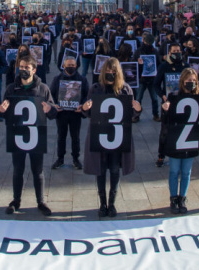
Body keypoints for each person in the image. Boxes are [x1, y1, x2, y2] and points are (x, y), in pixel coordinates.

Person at [82, 57, 142, 217]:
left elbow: (131, 114)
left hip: (117, 136)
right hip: (99, 134)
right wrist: (85, 108)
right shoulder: (95, 88)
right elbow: (87, 112)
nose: (110, 74)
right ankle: (102, 203)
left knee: (115, 169)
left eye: (113, 72)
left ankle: (112, 202)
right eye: (107, 71)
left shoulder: (125, 89)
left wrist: (137, 109)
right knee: (100, 170)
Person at [0, 55, 57, 216]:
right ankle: (16, 200)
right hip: (17, 133)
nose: (23, 70)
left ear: (34, 70)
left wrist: (49, 109)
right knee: (18, 169)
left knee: (37, 170)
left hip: (36, 134)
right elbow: (4, 110)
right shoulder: (11, 88)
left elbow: (53, 112)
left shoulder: (43, 88)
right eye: (21, 67)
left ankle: (41, 201)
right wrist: (1, 111)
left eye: (26, 68)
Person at [160, 68, 199, 214]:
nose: (191, 83)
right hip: (176, 140)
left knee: (186, 172)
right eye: (188, 80)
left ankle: (182, 198)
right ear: (182, 81)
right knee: (174, 170)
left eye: (193, 81)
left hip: (191, 140)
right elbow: (166, 120)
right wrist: (164, 109)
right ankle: (173, 198)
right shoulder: (174, 96)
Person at [153, 43, 189, 167]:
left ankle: (178, 153)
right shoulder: (164, 66)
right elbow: (156, 84)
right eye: (174, 51)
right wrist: (163, 96)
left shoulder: (186, 66)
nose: (177, 53)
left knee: (181, 129)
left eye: (178, 51)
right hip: (167, 104)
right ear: (169, 53)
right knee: (165, 131)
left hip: (182, 103)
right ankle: (161, 156)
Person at [50, 56, 88, 170]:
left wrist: (82, 105)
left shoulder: (82, 79)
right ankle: (60, 158)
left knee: (75, 136)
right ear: (64, 66)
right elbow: (51, 95)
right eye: (68, 65)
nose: (70, 67)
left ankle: (76, 159)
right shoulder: (57, 79)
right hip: (61, 113)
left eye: (72, 65)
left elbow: (87, 95)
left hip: (75, 113)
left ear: (76, 66)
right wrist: (55, 104)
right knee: (61, 136)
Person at [132, 32, 161, 122]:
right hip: (142, 79)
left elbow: (159, 64)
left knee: (154, 98)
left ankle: (155, 114)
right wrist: (138, 62)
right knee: (138, 98)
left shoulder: (155, 51)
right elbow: (133, 63)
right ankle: (136, 115)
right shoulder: (138, 51)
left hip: (152, 79)